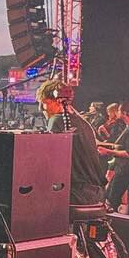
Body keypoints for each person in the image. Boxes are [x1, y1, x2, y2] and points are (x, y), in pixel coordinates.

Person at [36, 79, 105, 207]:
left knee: (31, 198)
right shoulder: (84, 123)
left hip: (76, 193)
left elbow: (51, 163)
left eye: (44, 102)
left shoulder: (56, 121)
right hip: (96, 193)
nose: (42, 108)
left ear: (56, 100)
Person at [101, 104, 129, 213]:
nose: (117, 113)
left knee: (111, 198)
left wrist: (108, 151)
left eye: (119, 110)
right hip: (123, 167)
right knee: (109, 195)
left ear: (124, 113)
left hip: (127, 169)